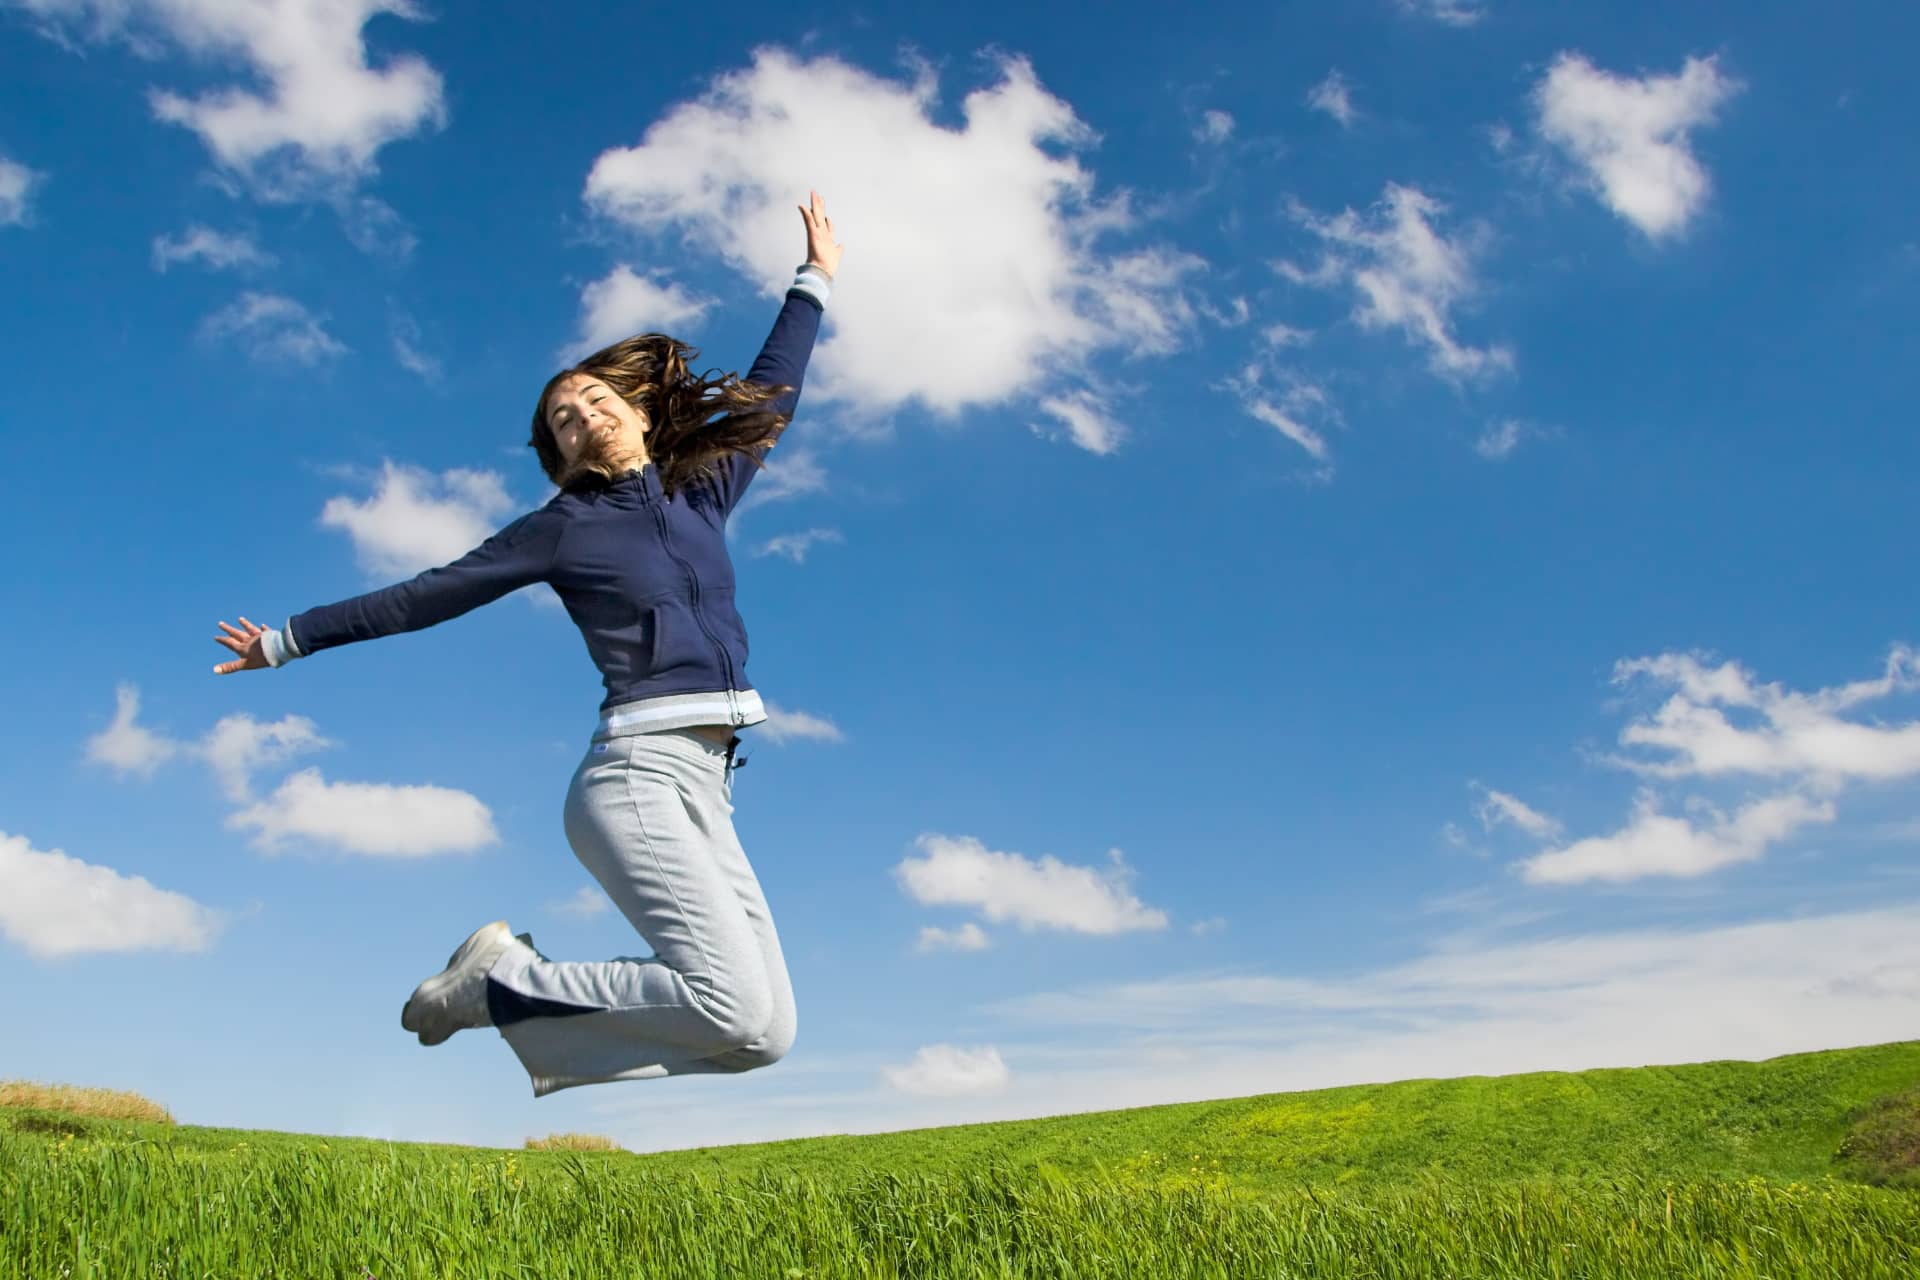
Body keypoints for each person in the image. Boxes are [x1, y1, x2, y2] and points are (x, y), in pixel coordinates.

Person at [212, 192, 844, 1097]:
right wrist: (288, 640)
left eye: (594, 396)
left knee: (763, 1034)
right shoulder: (559, 528)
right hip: (637, 776)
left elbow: (770, 393)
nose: (581, 410)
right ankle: (503, 980)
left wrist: (813, 279)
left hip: (711, 783)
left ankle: (505, 998)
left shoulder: (700, 495)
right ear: (560, 453)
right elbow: (422, 597)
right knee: (734, 1007)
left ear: (632, 409)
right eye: (561, 417)